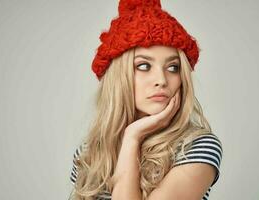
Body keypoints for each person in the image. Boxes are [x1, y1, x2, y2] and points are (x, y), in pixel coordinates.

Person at [69, 0, 223, 200]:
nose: (161, 80)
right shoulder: (91, 152)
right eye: (143, 66)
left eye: (173, 67)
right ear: (119, 76)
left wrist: (132, 137)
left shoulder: (197, 146)